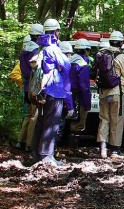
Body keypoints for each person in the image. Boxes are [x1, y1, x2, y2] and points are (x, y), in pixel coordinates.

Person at [30, 18, 71, 166]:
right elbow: (66, 66)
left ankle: (36, 153)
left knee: (41, 122)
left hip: (41, 91)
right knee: (52, 124)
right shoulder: (53, 48)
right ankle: (47, 156)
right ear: (56, 32)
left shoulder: (40, 48)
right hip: (55, 90)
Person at [94, 31, 124, 159]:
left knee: (104, 119)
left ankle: (103, 148)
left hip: (103, 92)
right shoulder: (122, 57)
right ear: (121, 42)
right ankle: (115, 149)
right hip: (117, 92)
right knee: (117, 120)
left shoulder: (101, 54)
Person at [15, 38, 41, 151]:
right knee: (34, 117)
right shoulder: (35, 51)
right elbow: (36, 72)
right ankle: (29, 144)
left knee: (28, 116)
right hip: (33, 89)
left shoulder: (23, 52)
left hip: (25, 88)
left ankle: (20, 141)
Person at [68, 39, 92, 133]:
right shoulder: (82, 64)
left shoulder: (69, 61)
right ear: (86, 50)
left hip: (66, 96)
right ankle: (73, 142)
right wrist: (87, 104)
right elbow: (84, 87)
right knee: (79, 124)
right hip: (78, 97)